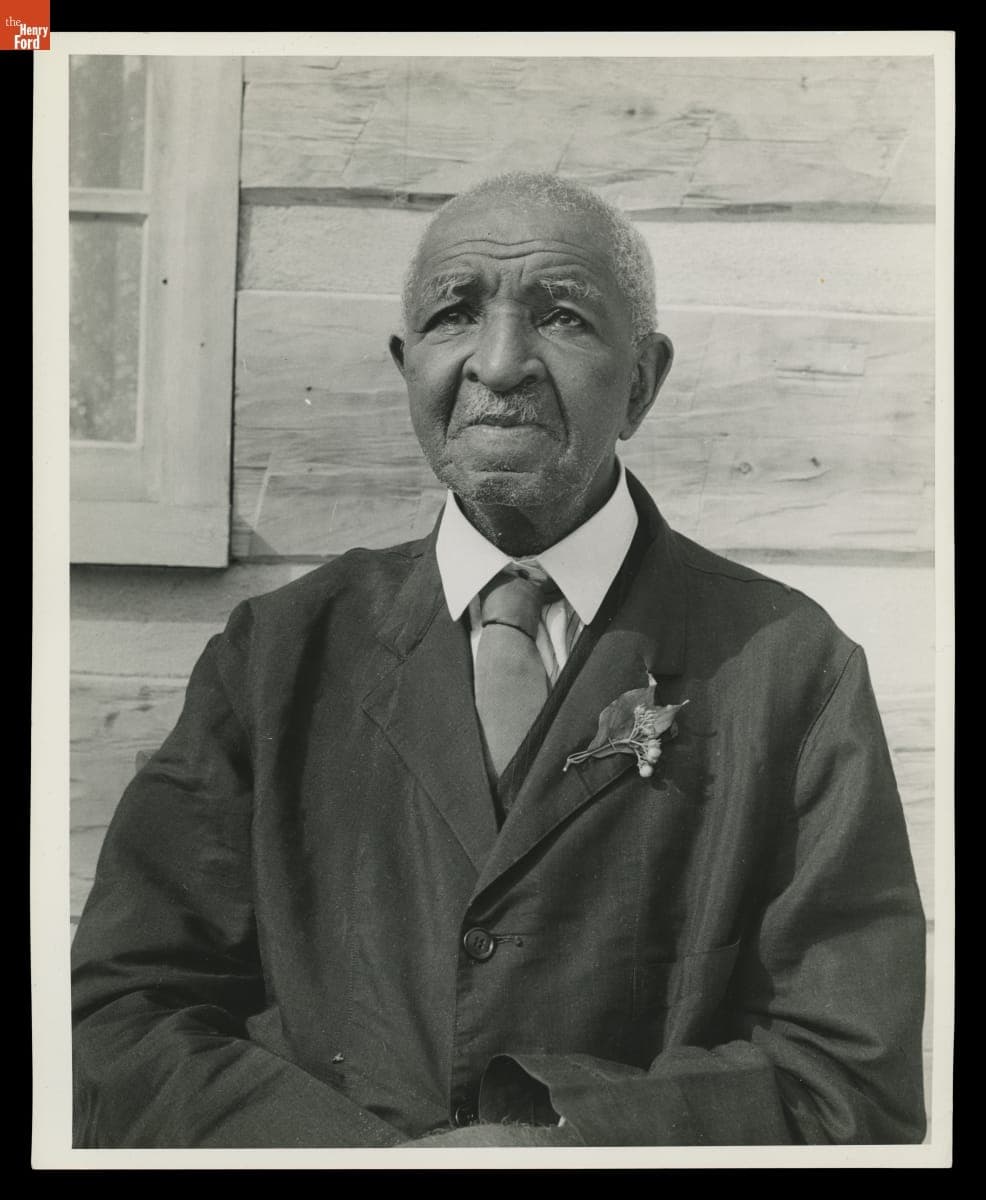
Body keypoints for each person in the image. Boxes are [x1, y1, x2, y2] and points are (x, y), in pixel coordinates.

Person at [71, 171, 927, 1148]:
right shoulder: (272, 659)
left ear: (641, 381)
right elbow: (124, 1018)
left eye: (561, 316)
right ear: (408, 366)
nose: (501, 361)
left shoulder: (791, 671)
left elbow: (850, 1081)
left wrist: (558, 1152)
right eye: (454, 315)